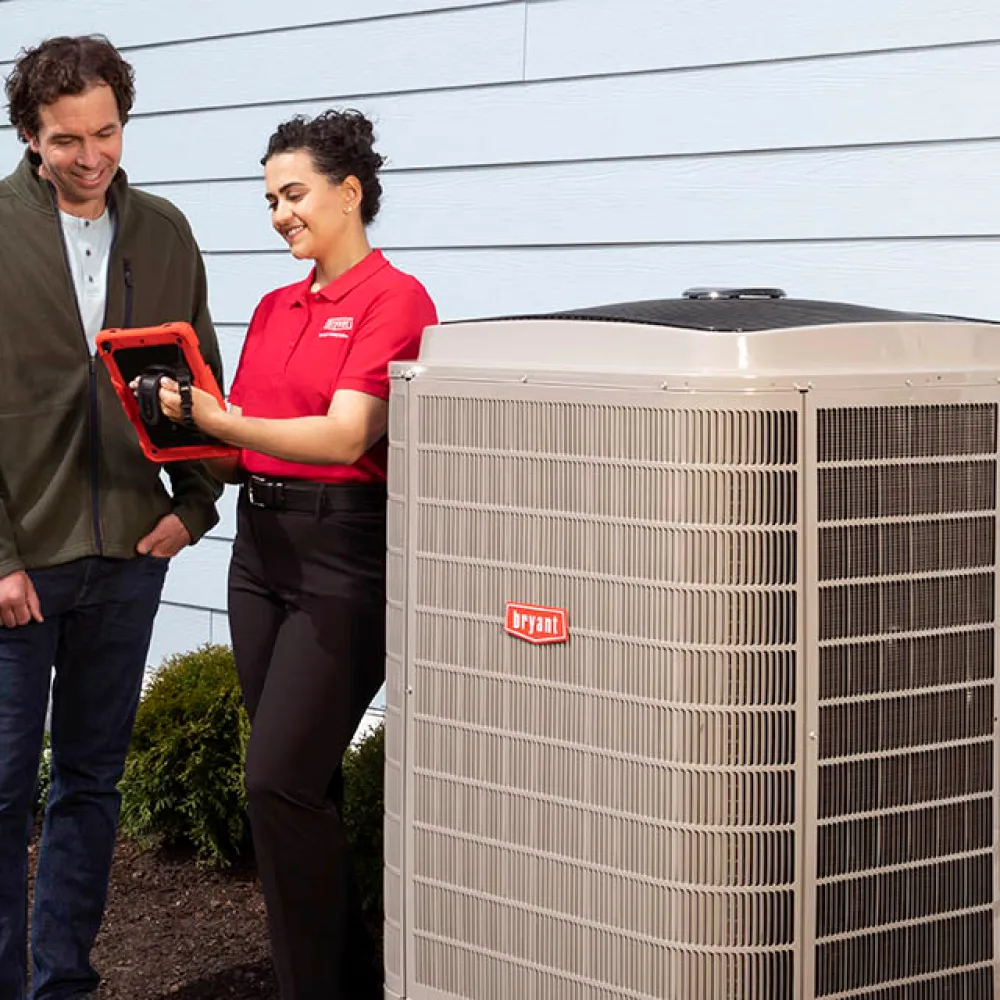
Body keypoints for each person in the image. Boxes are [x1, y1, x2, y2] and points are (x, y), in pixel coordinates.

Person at [155, 109, 437, 1000]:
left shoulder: (397, 301)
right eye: (270, 199)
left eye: (295, 193)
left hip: (342, 550)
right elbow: (245, 448)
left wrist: (217, 420)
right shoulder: (277, 307)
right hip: (261, 551)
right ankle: (345, 976)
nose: (280, 214)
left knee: (277, 780)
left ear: (350, 192)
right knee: (296, 786)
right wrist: (162, 424)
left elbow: (344, 432)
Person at [0, 36, 222, 1000]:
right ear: (28, 136)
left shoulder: (165, 230)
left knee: (91, 785)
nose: (92, 156)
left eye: (108, 133)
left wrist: (197, 506)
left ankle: (64, 982)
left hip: (131, 552)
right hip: (22, 562)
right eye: (67, 139)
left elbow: (198, 370)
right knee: (5, 793)